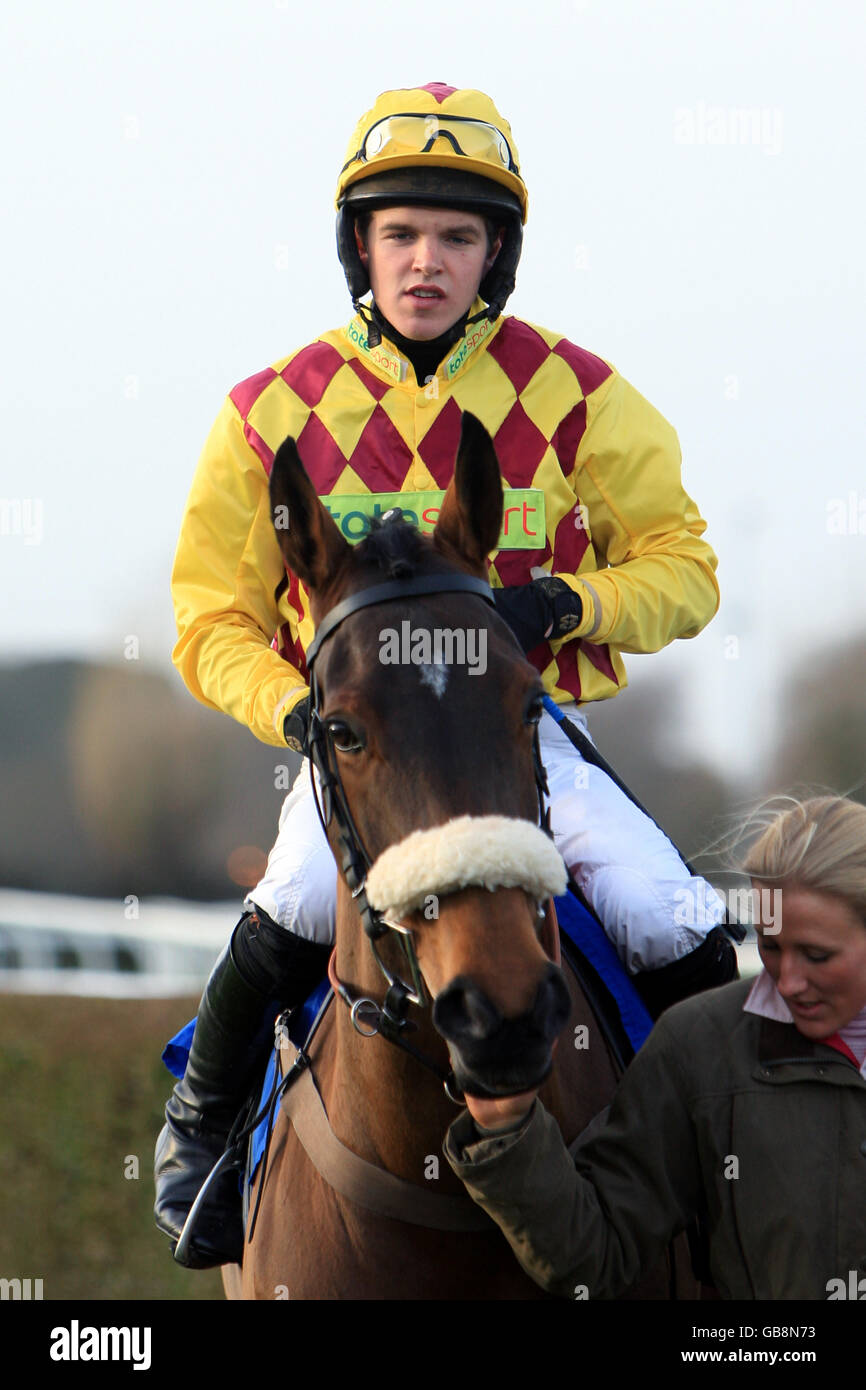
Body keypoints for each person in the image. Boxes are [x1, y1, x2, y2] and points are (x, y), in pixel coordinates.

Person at [156, 82, 736, 1268]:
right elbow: (207, 614)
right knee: (284, 917)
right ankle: (201, 1140)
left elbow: (685, 565)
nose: (427, 262)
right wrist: (296, 711)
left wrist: (567, 602)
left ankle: (724, 1164)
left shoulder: (575, 392)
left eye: (457, 237)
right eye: (402, 234)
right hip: (361, 752)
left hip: (518, 739)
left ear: (497, 253)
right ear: (358, 246)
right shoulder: (268, 411)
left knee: (678, 926)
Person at [445, 794, 866, 1300]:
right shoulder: (699, 1044)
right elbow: (595, 1258)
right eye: (771, 947)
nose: (788, 981)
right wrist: (506, 1130)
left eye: (817, 955)